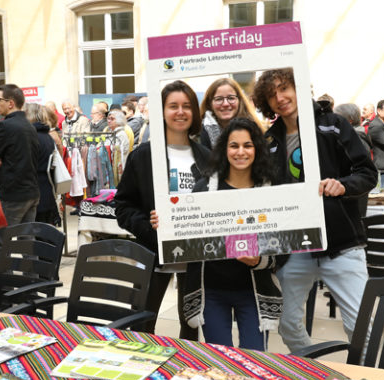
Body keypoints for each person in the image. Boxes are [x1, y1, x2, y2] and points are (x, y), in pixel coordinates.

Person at [251, 67, 377, 354]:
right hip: (294, 247)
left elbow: (368, 173)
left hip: (341, 244)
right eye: (271, 94)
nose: (280, 98)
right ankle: (311, 368)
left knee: (362, 329)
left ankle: (367, 377)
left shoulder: (334, 125)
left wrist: (343, 185)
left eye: (285, 88)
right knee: (288, 325)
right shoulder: (269, 141)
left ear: (298, 88)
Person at [115, 80, 210, 340]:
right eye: (173, 106)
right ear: (162, 111)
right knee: (142, 327)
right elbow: (123, 206)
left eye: (187, 106)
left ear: (194, 112)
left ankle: (185, 364)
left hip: (196, 258)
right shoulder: (143, 156)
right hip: (153, 254)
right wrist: (149, 226)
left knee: (191, 326)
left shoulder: (207, 157)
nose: (180, 112)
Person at [179, 118, 283, 350]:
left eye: (248, 145)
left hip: (253, 291)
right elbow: (186, 236)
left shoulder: (271, 190)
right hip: (211, 291)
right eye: (234, 145)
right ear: (224, 150)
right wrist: (165, 224)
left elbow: (285, 246)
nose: (240, 152)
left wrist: (259, 260)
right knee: (221, 358)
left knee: (254, 358)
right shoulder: (203, 189)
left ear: (257, 149)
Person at [0, 83, 41, 262]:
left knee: (1, 245)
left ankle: (6, 280)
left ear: (10, 103)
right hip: (31, 192)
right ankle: (32, 279)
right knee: (27, 244)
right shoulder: (29, 125)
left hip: (13, 195)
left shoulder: (6, 126)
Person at [25, 103, 61, 227]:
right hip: (46, 189)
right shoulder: (48, 137)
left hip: (35, 192)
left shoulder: (32, 137)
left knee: (34, 231)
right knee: (44, 231)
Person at [198, 77, 262, 149]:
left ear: (239, 101)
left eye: (231, 98)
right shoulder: (197, 135)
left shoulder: (254, 130)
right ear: (209, 104)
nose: (225, 104)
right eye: (219, 99)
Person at [107, 109, 131, 175]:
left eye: (112, 119)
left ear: (119, 120)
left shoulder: (121, 135)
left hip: (119, 170)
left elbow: (122, 156)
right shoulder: (110, 133)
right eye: (108, 118)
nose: (109, 121)